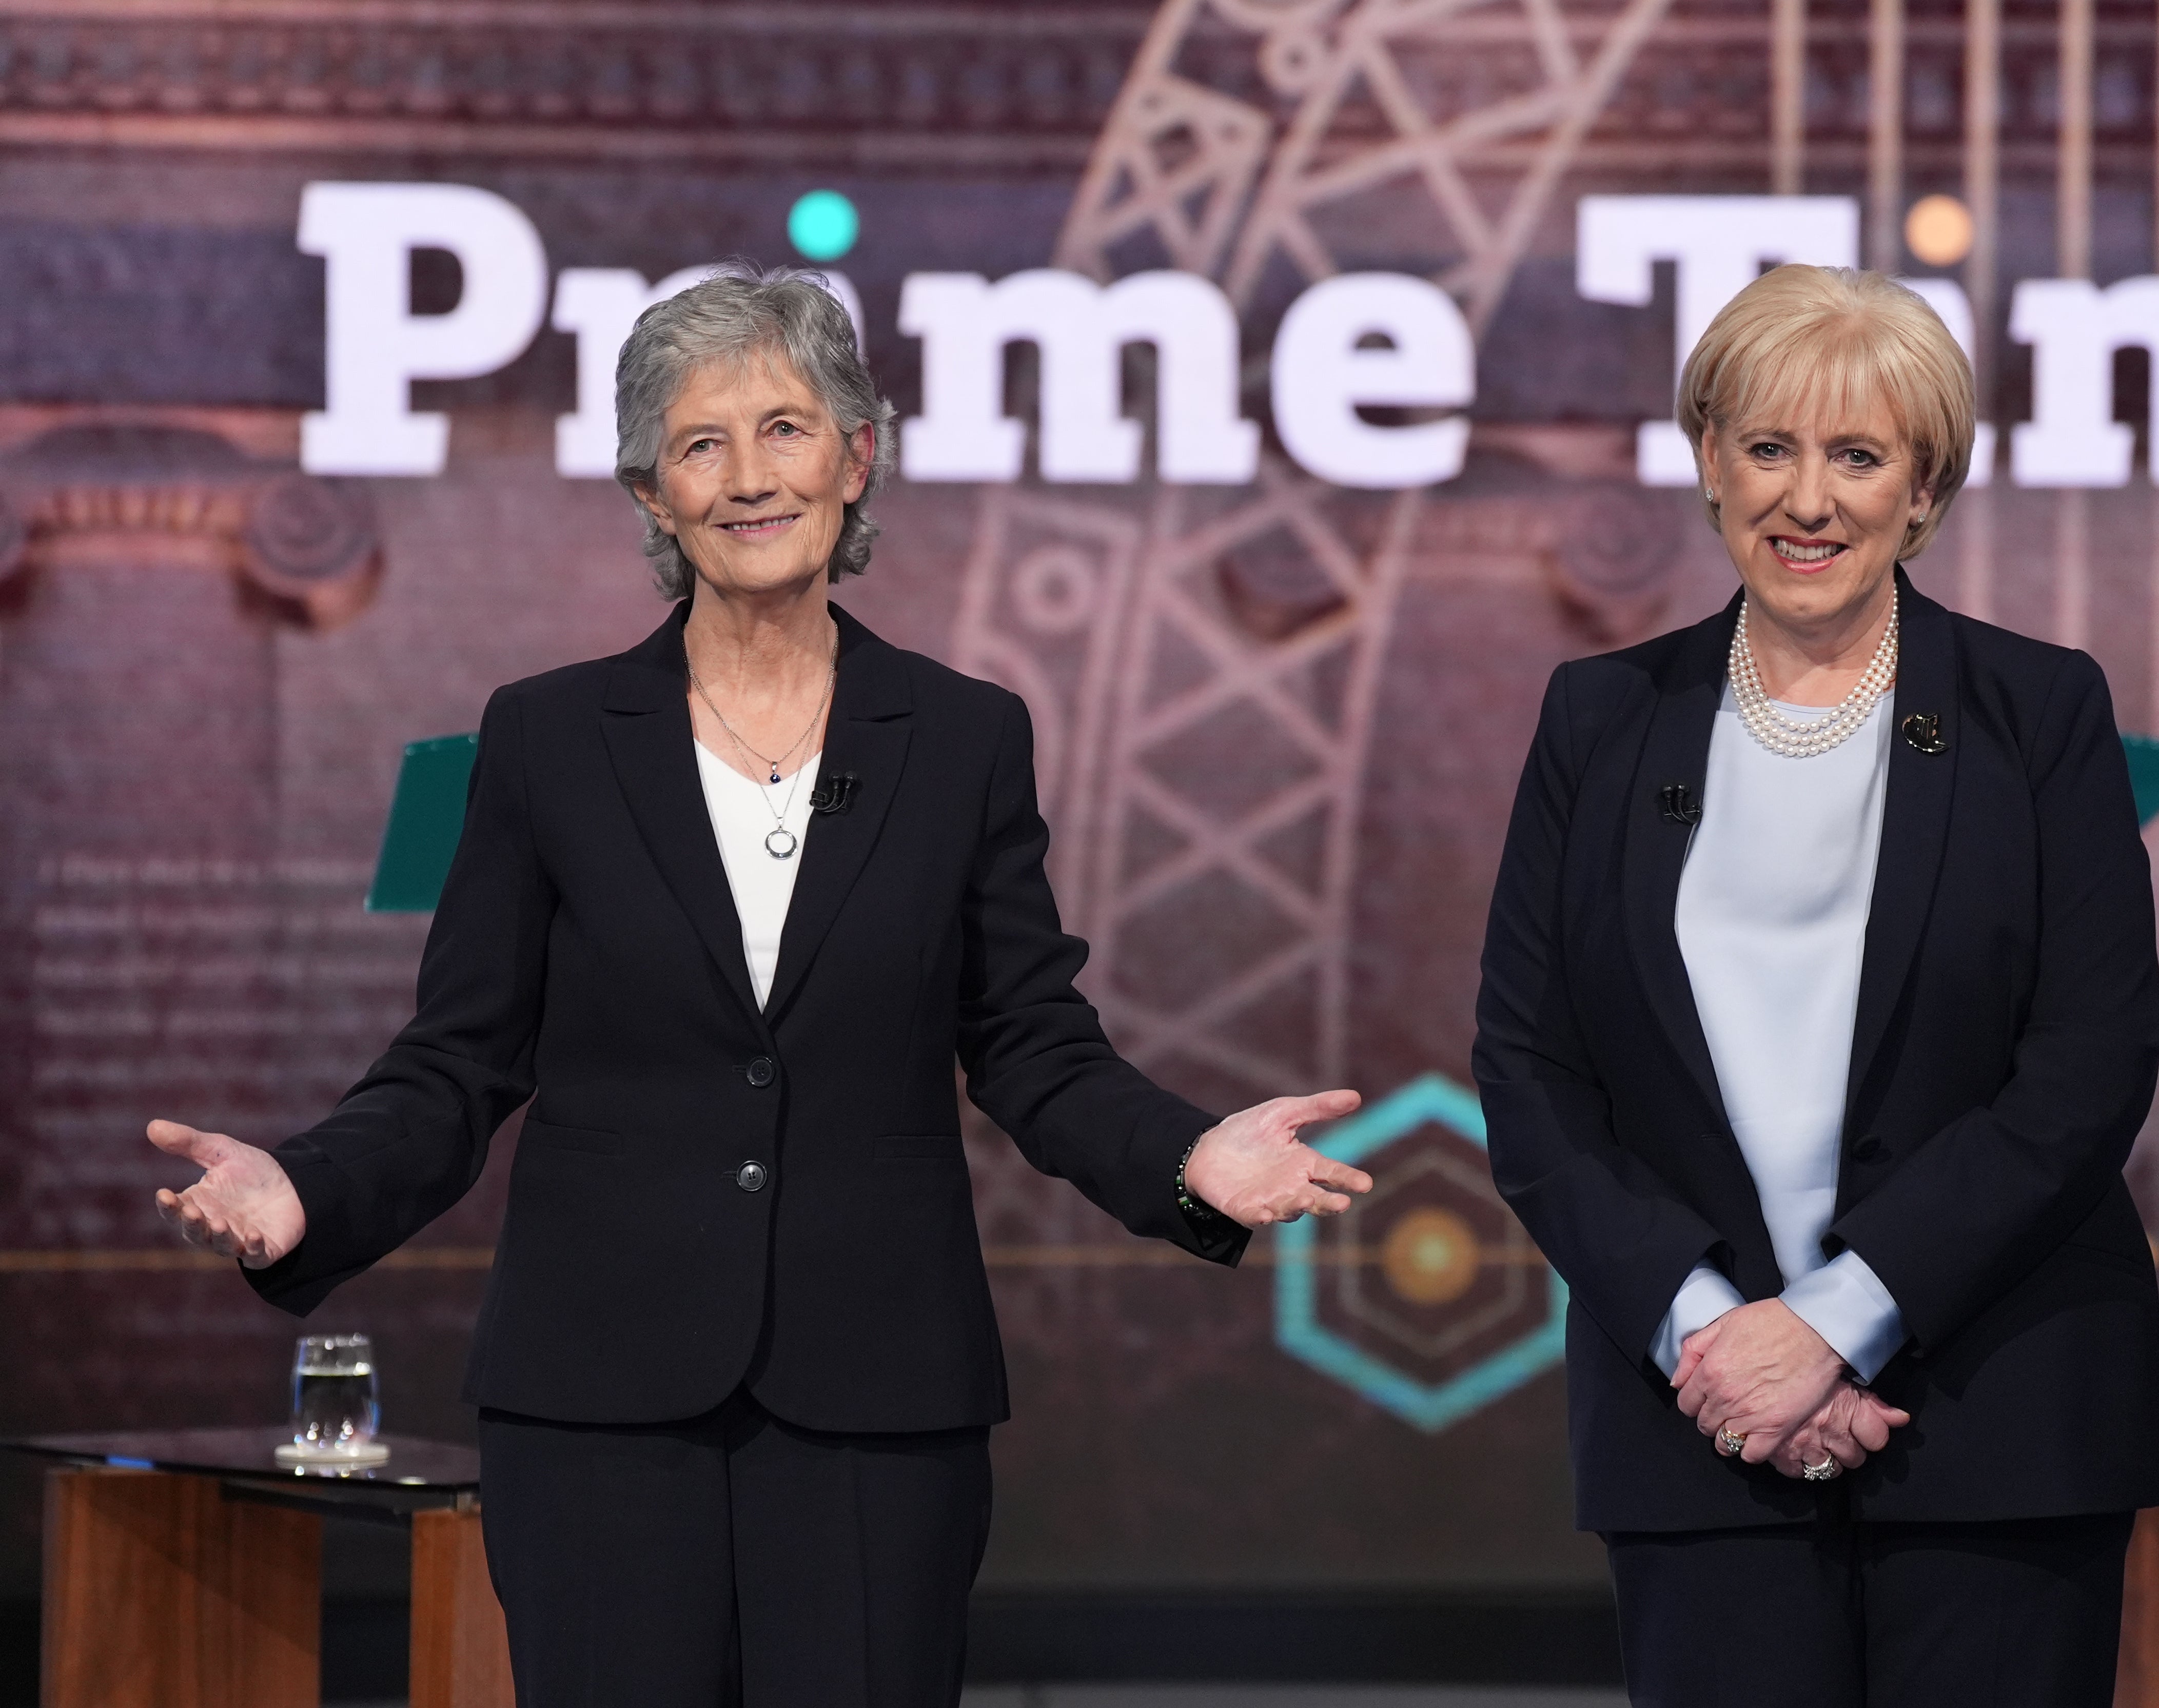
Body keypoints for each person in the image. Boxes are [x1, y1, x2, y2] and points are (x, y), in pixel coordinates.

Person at [147, 266, 1373, 1707]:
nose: (747, 477)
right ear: (651, 495)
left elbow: (1031, 1045)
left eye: (786, 428)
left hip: (876, 1403)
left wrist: (1185, 1156)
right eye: (699, 443)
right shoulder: (546, 738)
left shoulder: (965, 736)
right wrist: (308, 1193)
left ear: (859, 458)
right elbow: (457, 1060)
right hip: (598, 1403)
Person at [1474, 263, 2159, 1706]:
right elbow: (1532, 1076)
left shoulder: (2040, 713)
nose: (1811, 498)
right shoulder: (1600, 722)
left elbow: (2090, 1064)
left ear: (1924, 489)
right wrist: (1717, 1340)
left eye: (1859, 455)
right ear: (1710, 461)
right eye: (1771, 447)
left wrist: (1839, 1320)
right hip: (1700, 1423)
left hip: (1997, 1417)